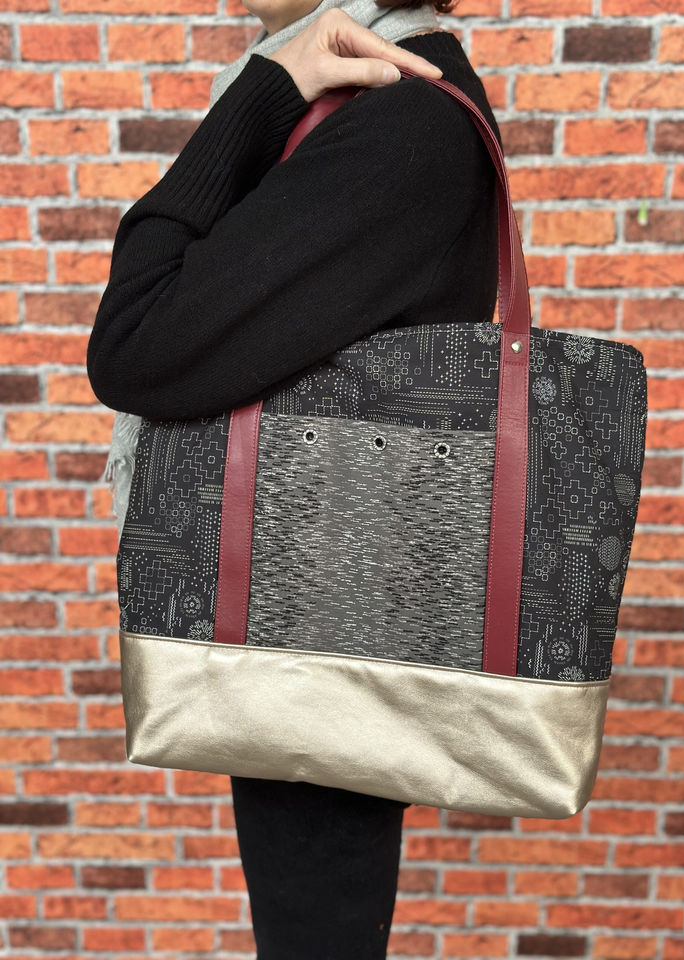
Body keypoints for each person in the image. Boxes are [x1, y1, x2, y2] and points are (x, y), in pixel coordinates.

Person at [86, 1, 502, 956]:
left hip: (321, 622)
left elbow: (137, 344)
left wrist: (259, 95)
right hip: (317, 595)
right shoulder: (391, 105)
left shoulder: (401, 123)